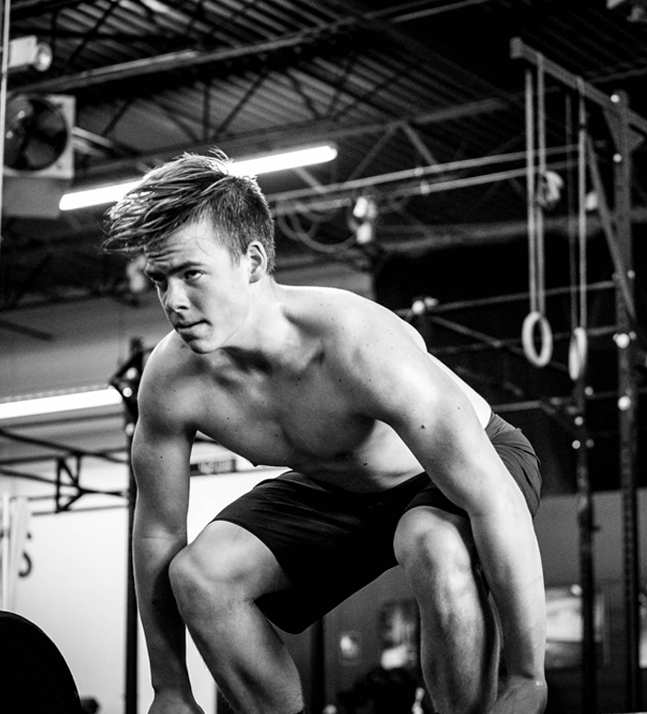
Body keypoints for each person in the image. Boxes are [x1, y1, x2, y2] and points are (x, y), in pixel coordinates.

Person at [102, 150, 547, 714]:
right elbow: (158, 535)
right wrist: (170, 687)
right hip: (341, 487)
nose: (174, 302)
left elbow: (490, 498)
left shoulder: (358, 343)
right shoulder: (171, 382)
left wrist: (527, 677)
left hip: (473, 467)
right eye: (161, 280)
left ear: (254, 261)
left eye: (192, 274)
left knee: (431, 539)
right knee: (200, 575)